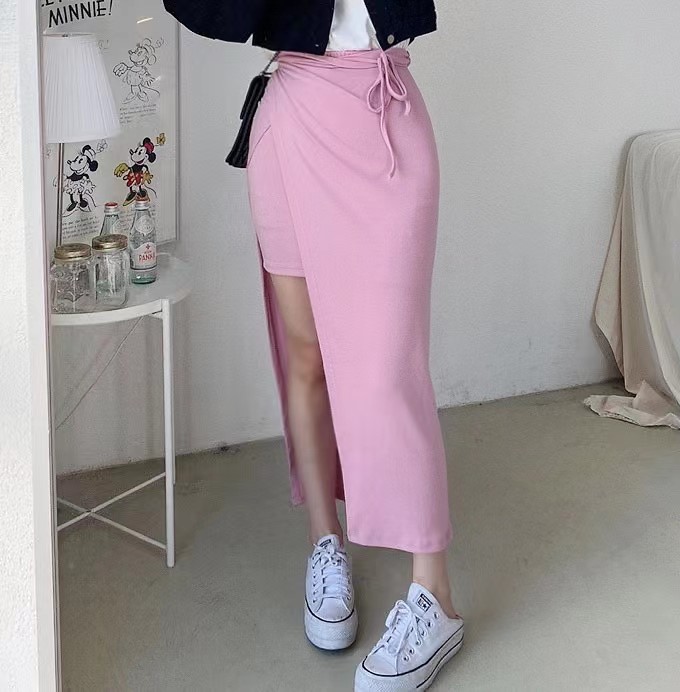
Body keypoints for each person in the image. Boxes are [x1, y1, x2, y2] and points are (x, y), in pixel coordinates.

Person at [163, 1, 464, 689]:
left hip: (384, 116)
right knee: (305, 356)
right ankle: (325, 540)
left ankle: (435, 595)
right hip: (292, 119)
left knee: (388, 370)